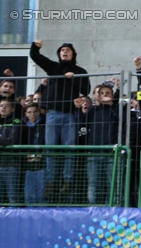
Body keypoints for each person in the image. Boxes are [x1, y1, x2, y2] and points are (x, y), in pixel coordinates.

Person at [30, 40, 90, 194]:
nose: (64, 52)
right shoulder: (54, 68)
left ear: (73, 54)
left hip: (69, 114)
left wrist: (73, 78)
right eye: (62, 50)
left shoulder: (80, 70)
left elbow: (86, 89)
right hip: (53, 113)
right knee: (51, 149)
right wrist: (35, 46)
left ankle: (67, 181)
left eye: (68, 50)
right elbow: (35, 57)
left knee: (69, 148)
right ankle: (50, 181)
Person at [79, 84, 120, 205]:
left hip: (112, 152)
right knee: (93, 184)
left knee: (113, 184)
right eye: (102, 93)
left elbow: (120, 119)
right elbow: (83, 124)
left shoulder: (117, 109)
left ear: (112, 96)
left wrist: (112, 104)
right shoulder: (93, 111)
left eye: (108, 93)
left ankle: (113, 210)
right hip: (94, 151)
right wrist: (79, 110)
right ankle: (93, 209)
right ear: (98, 96)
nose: (105, 96)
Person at [0, 100, 25, 205]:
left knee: (12, 196)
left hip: (11, 164)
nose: (3, 108)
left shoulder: (16, 122)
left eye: (7, 106)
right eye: (1, 106)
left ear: (13, 109)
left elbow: (13, 140)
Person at [22, 104, 45, 205]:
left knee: (42, 195)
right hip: (28, 166)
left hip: (42, 166)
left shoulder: (44, 126)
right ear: (26, 114)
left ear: (39, 112)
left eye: (35, 111)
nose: (32, 114)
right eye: (30, 112)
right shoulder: (23, 128)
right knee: (29, 195)